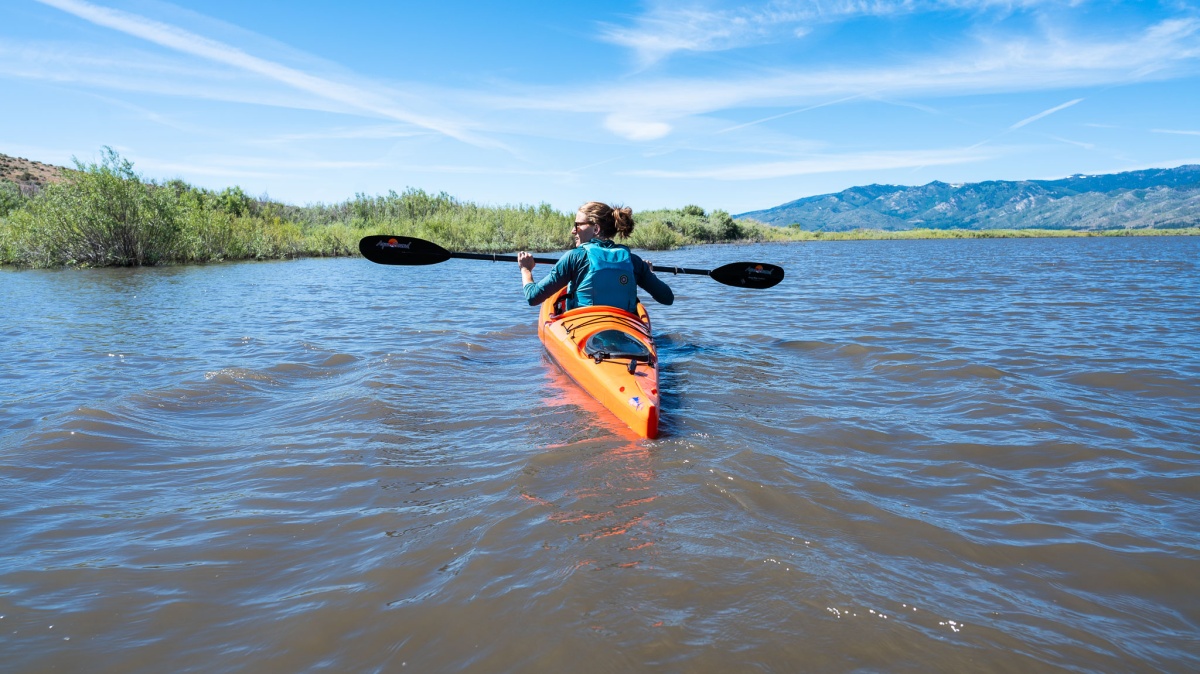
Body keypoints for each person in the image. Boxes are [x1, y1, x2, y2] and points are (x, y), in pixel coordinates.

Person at [518, 202, 673, 313]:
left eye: (577, 225)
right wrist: (649, 273)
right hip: (624, 329)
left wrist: (526, 269)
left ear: (596, 229)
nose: (573, 230)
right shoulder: (634, 261)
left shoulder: (574, 257)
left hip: (584, 329)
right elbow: (667, 298)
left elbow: (533, 297)